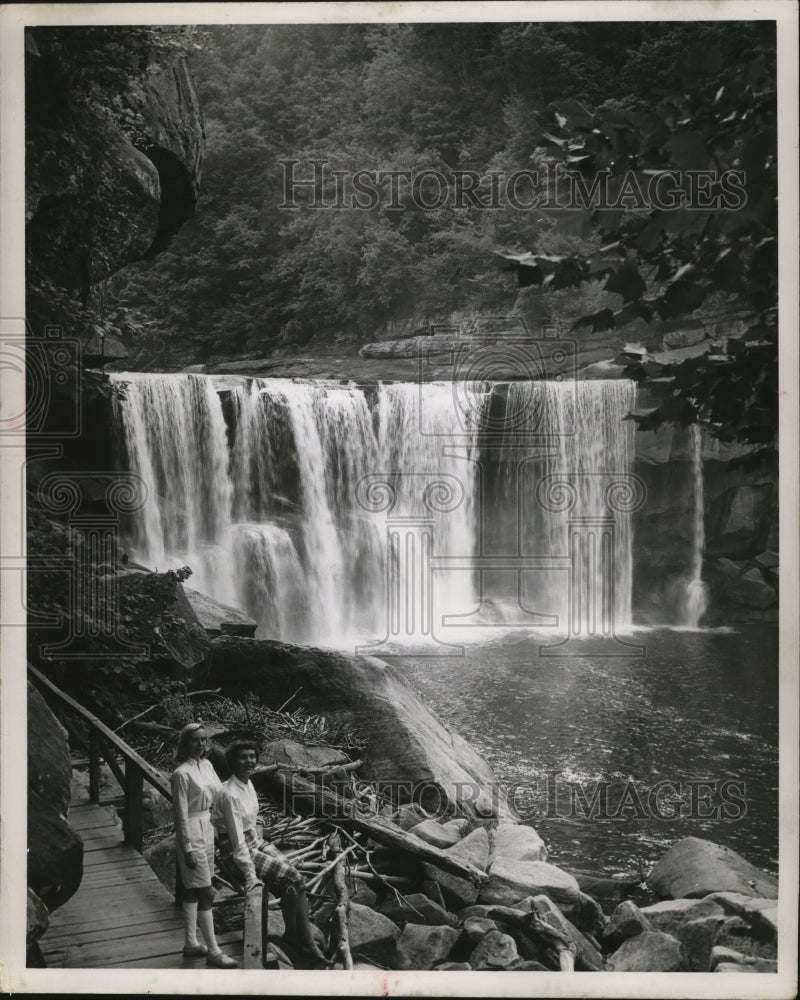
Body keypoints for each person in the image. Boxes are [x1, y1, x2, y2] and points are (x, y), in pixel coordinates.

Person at [213, 740, 330, 965]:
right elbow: (237, 842)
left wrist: (260, 838)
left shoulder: (247, 783)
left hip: (253, 840)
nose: (249, 761)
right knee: (293, 878)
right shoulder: (229, 794)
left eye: (252, 756)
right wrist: (250, 874)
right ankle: (305, 941)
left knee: (298, 880)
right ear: (232, 762)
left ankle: (294, 935)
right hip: (236, 850)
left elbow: (251, 822)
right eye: (243, 757)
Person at [171, 722, 237, 968]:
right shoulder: (181, 774)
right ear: (185, 743)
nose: (200, 744)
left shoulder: (207, 765)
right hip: (191, 832)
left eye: (203, 739)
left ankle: (190, 943)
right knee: (206, 892)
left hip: (208, 827)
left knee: (192, 891)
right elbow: (180, 815)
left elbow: (220, 795)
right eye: (195, 740)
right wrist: (187, 848)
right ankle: (214, 951)